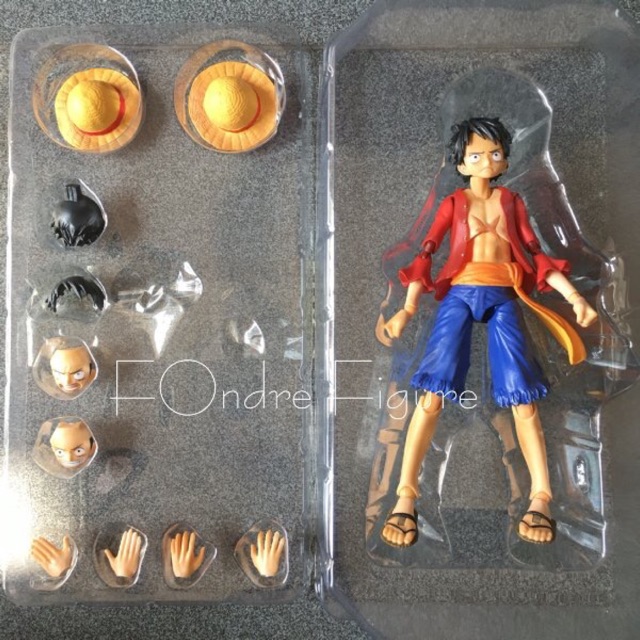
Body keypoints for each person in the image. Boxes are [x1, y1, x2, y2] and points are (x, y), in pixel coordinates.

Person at [381, 117, 597, 547]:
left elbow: (536, 253)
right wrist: (407, 308)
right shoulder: (452, 204)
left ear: (505, 160)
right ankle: (405, 497)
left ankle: (541, 497)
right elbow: (426, 253)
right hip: (460, 294)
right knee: (431, 395)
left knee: (523, 399)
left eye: (495, 154)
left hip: (504, 294)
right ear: (461, 164)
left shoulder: (513, 202)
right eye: (476, 155)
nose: (487, 162)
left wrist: (574, 298)